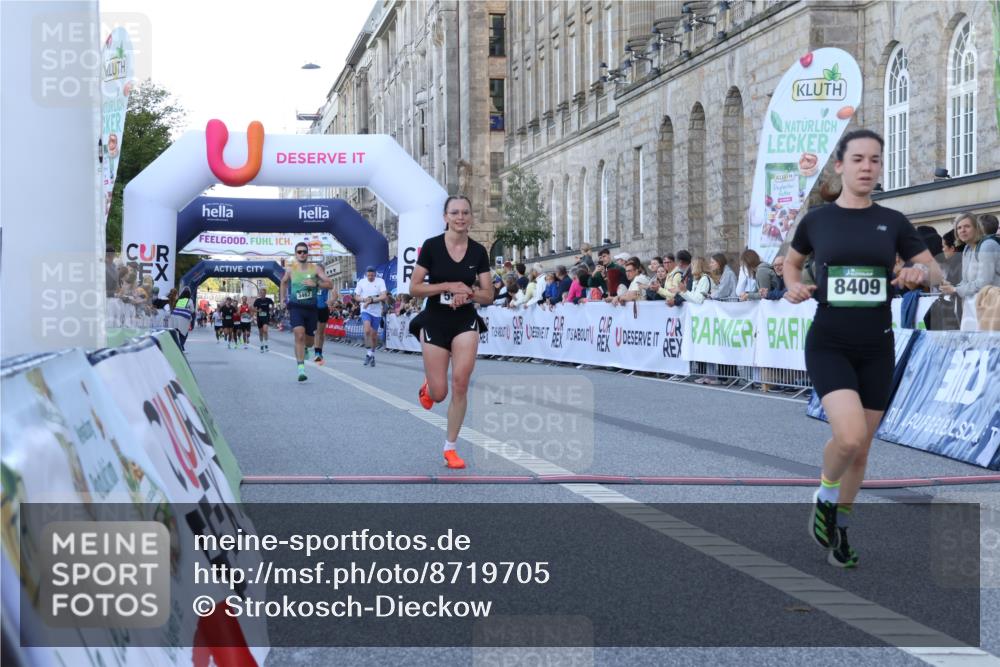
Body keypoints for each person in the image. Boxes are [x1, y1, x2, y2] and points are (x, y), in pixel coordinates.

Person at [784, 129, 937, 568]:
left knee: (863, 447)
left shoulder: (894, 220)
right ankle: (825, 497)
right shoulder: (818, 220)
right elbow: (792, 264)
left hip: (878, 345)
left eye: (874, 160)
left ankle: (842, 532)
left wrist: (913, 273)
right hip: (829, 341)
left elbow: (931, 270)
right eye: (858, 160)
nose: (867, 167)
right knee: (849, 437)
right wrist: (793, 287)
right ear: (840, 166)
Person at [408, 195, 493, 469]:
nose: (460, 217)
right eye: (454, 212)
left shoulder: (479, 251)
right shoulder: (432, 247)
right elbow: (415, 288)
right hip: (434, 320)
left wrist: (469, 293)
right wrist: (448, 286)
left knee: (460, 382)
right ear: (445, 217)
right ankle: (429, 388)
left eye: (465, 212)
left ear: (471, 217)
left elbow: (488, 295)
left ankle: (451, 447)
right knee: (440, 393)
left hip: (465, 321)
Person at [280, 242, 333, 381]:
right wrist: (282, 300)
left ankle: (306, 349)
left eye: (304, 251)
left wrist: (316, 284)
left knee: (309, 342)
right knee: (299, 335)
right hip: (296, 307)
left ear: (307, 253)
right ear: (295, 254)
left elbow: (330, 284)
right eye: (299, 252)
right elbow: (283, 282)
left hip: (311, 308)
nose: (302, 254)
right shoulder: (291, 269)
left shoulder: (315, 269)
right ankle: (301, 369)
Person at [939, 212, 1000, 330]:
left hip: (993, 306)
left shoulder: (987, 245)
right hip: (975, 304)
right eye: (959, 228)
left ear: (976, 228)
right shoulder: (967, 248)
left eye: (967, 226)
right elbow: (966, 281)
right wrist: (951, 287)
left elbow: (984, 283)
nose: (962, 230)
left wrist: (956, 289)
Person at [354, 266, 388, 366]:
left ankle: (372, 354)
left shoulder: (380, 281)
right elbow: (356, 296)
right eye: (368, 275)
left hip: (377, 312)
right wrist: (364, 300)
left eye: (372, 275)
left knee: (373, 335)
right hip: (365, 310)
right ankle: (368, 354)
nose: (370, 277)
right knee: (367, 330)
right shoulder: (361, 282)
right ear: (366, 274)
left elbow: (384, 295)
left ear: (375, 274)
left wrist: (372, 300)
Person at [313, 282, 335, 365]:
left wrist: (332, 300)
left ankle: (320, 352)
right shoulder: (312, 281)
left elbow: (334, 292)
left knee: (322, 333)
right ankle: (317, 352)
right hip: (315, 309)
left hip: (324, 309)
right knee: (317, 332)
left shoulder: (326, 283)